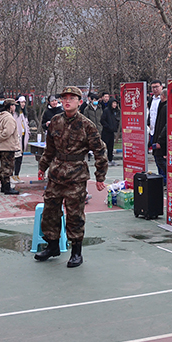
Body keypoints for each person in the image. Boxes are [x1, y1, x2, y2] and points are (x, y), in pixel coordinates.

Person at [35, 86, 108, 267]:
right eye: (64, 98)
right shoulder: (55, 121)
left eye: (71, 98)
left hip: (76, 176)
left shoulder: (86, 125)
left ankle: (76, 252)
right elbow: (50, 148)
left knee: (75, 214)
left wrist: (100, 176)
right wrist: (43, 166)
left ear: (79, 102)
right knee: (50, 211)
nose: (67, 101)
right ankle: (52, 246)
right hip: (56, 174)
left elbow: (100, 151)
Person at [0, 98, 20, 195]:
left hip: (2, 146)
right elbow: (7, 132)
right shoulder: (9, 118)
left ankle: (3, 185)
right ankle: (7, 187)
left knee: (3, 166)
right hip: (8, 146)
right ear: (10, 106)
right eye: (14, 106)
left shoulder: (1, 116)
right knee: (8, 167)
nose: (15, 108)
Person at [151, 87, 168, 183]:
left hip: (161, 139)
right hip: (156, 134)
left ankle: (166, 180)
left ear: (163, 96)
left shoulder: (165, 107)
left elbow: (164, 126)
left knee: (160, 160)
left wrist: (160, 140)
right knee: (159, 160)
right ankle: (163, 179)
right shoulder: (161, 106)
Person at [12, 96, 31, 182]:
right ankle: (12, 175)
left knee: (20, 158)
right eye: (21, 102)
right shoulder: (14, 114)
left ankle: (17, 174)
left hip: (23, 138)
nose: (23, 104)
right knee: (15, 157)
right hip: (16, 138)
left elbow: (26, 124)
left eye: (24, 102)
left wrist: (28, 133)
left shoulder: (24, 114)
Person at [100, 98, 120, 165]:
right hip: (106, 132)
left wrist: (115, 126)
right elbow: (102, 120)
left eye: (115, 103)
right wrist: (108, 127)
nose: (115, 105)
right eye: (113, 103)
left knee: (110, 147)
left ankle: (110, 159)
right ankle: (102, 160)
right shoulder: (106, 110)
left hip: (112, 132)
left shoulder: (115, 111)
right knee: (104, 147)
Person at [147, 80, 163, 149]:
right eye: (153, 87)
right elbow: (150, 113)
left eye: (156, 87)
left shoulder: (164, 100)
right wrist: (148, 123)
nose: (155, 89)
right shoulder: (151, 100)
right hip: (152, 130)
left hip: (161, 130)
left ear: (161, 87)